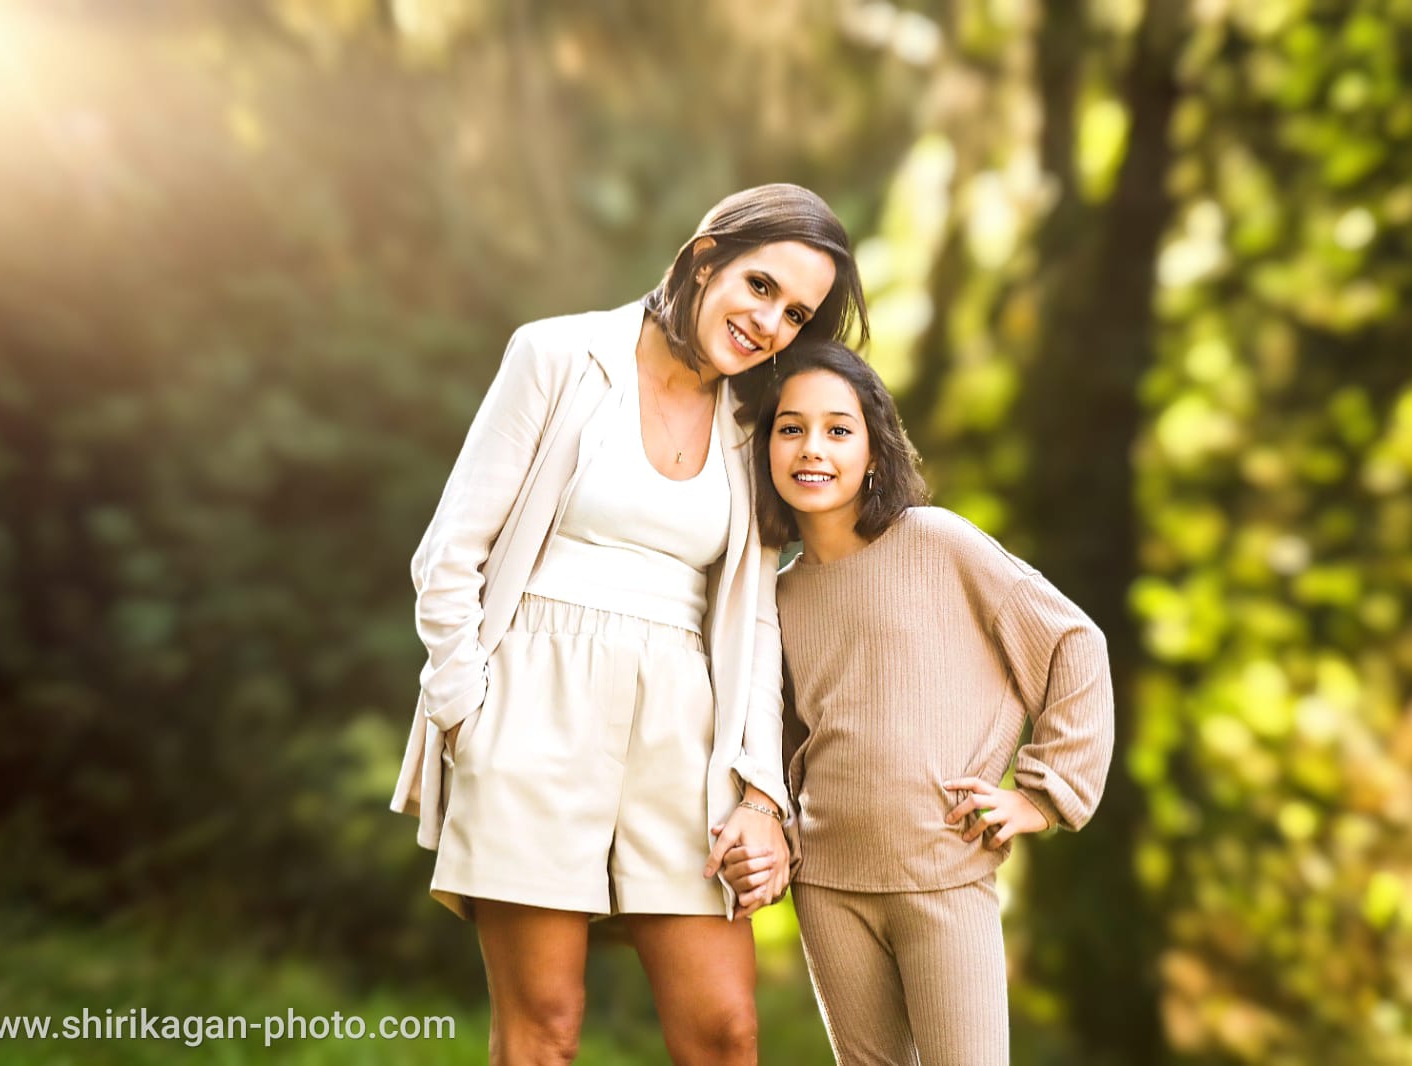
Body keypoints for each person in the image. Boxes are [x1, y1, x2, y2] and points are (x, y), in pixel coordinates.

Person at [388, 185, 869, 1065]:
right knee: (545, 1031)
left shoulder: (755, 426)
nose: (769, 323)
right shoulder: (557, 355)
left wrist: (761, 792)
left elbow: (756, 619)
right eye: (761, 286)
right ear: (706, 259)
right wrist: (467, 717)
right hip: (530, 708)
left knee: (724, 1033)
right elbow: (450, 555)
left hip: (685, 733)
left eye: (796, 314)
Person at [723, 340, 1115, 1065]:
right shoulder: (776, 595)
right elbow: (781, 740)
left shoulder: (938, 542)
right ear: (766, 449)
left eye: (839, 429)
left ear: (874, 449)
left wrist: (1042, 796)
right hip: (828, 884)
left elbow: (1073, 644)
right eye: (791, 428)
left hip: (945, 869)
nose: (813, 448)